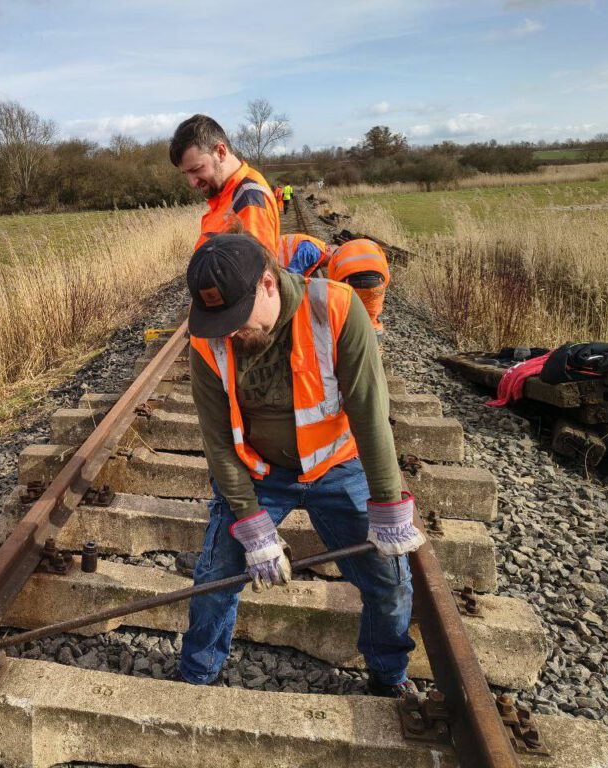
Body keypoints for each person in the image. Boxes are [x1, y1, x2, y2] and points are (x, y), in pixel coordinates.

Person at [179, 232, 423, 697]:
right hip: (261, 472)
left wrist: (388, 504)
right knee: (216, 576)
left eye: (236, 318)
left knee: (390, 578)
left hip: (336, 463)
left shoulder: (335, 308)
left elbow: (370, 412)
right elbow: (217, 442)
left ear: (268, 284)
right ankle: (196, 677)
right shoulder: (208, 340)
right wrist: (251, 522)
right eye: (218, 321)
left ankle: (389, 676)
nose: (229, 332)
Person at [169, 114, 280, 255]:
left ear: (221, 152)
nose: (192, 182)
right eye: (186, 174)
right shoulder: (227, 195)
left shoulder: (249, 199)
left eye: (196, 169)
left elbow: (251, 274)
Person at [328, 238, 390, 342]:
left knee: (348, 316)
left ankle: (349, 345)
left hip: (349, 283)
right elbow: (386, 273)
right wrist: (380, 289)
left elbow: (333, 283)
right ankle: (374, 348)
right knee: (372, 318)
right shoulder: (374, 246)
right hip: (375, 281)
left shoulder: (338, 253)